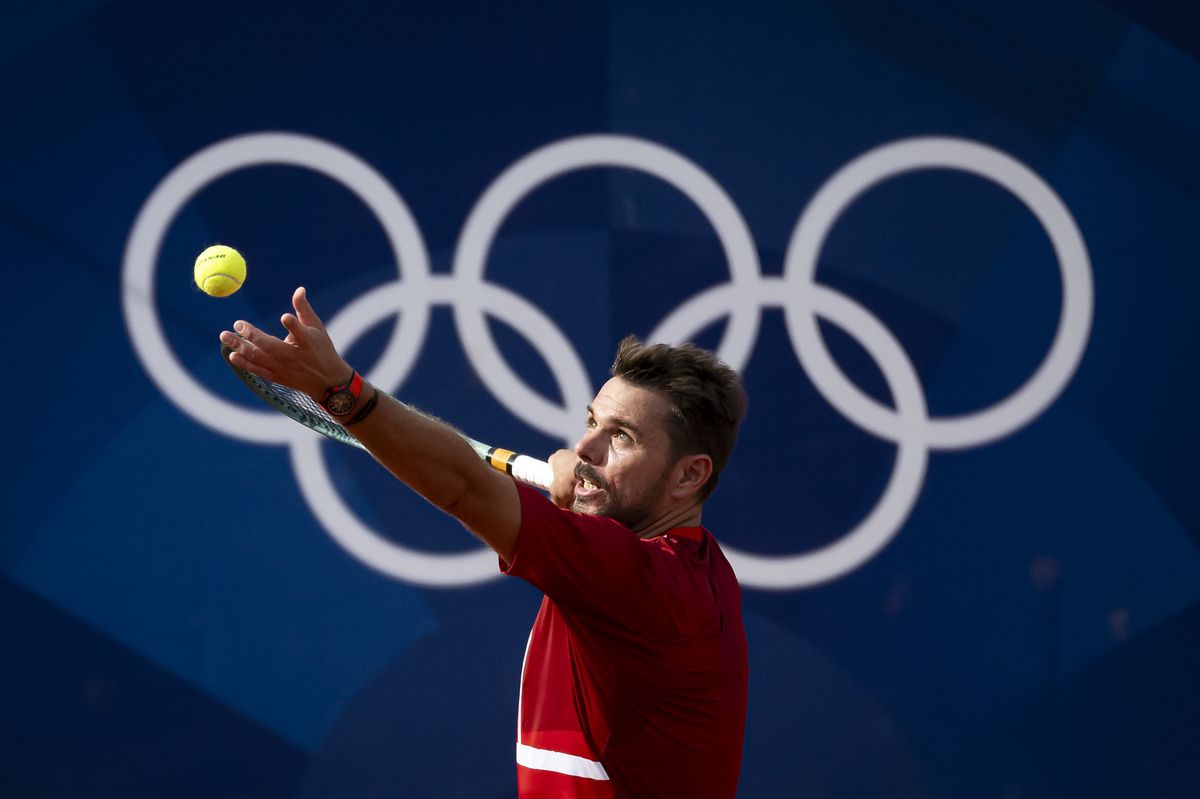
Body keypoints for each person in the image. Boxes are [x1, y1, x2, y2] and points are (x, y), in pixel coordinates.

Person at [221, 287, 750, 798]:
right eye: (591, 422)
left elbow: (466, 486)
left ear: (688, 477)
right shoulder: (701, 567)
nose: (583, 447)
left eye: (621, 437)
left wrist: (342, 390)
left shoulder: (642, 583)